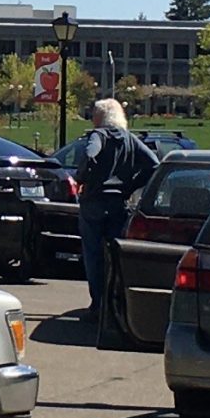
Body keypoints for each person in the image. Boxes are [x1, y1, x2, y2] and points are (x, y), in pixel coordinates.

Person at [74, 97, 155, 336]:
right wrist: (130, 186)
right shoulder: (130, 140)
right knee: (115, 255)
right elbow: (154, 164)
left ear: (100, 118)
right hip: (119, 203)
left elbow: (90, 155)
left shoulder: (98, 136)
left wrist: (83, 178)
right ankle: (114, 302)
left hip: (94, 203)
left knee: (93, 254)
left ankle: (97, 305)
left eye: (94, 115)